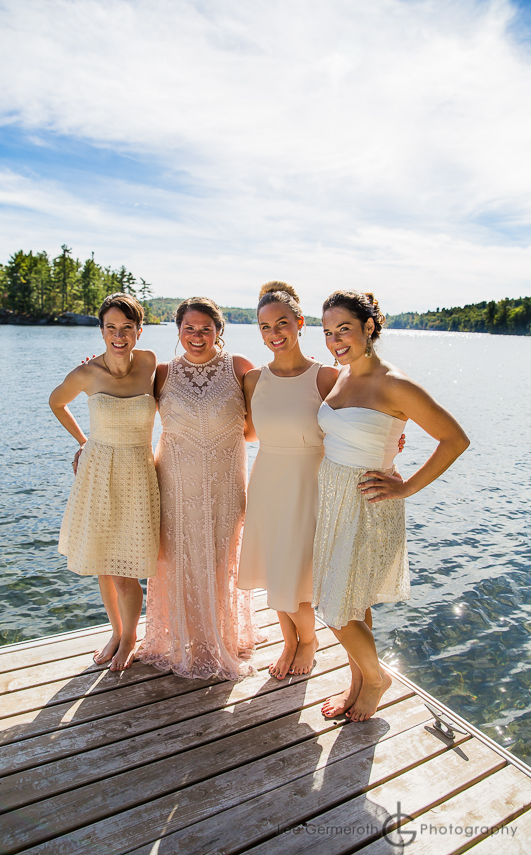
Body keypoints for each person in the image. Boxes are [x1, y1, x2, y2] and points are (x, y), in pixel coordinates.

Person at [313, 290, 469, 721]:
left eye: (344, 329)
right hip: (334, 501)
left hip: (368, 501)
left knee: (335, 606)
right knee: (352, 602)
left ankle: (377, 678)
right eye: (328, 332)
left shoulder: (395, 383)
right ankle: (358, 683)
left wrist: (406, 488)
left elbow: (454, 440)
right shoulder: (341, 376)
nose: (335, 340)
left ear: (369, 327)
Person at [138, 297, 260, 680]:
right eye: (189, 328)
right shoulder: (161, 372)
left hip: (225, 481)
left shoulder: (238, 366)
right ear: (178, 331)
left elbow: (254, 428)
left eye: (206, 328)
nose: (197, 335)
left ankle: (216, 639)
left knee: (221, 558)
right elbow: (123, 407)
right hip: (173, 481)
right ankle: (180, 636)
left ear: (219, 331)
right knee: (177, 560)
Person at [49, 293, 160, 671]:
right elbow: (56, 402)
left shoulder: (149, 362)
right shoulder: (85, 373)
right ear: (101, 331)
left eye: (127, 328)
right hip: (98, 472)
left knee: (127, 570)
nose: (119, 335)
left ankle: (130, 637)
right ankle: (116, 630)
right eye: (111, 327)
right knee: (104, 563)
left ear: (139, 331)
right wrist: (83, 442)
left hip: (138, 472)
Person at [238, 282, 339, 679]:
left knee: (295, 573)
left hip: (307, 483)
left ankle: (309, 641)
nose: (274, 333)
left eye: (282, 323)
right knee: (272, 567)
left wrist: (390, 444)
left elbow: (354, 426)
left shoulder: (326, 376)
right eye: (265, 326)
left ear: (299, 323)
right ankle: (289, 642)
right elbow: (248, 433)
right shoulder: (252, 379)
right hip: (266, 480)